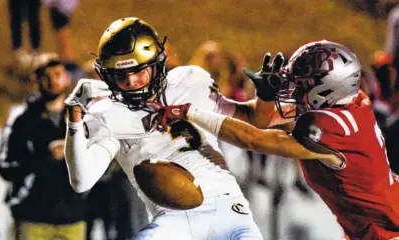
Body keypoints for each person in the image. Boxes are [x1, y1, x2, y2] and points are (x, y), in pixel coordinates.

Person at [61, 17, 323, 239]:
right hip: (172, 221)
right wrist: (74, 121)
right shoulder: (107, 113)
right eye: (120, 75)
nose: (131, 82)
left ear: (156, 64)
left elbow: (255, 119)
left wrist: (265, 97)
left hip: (227, 209)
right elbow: (82, 181)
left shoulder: (188, 82)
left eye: (138, 71)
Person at [160, 40, 399, 240]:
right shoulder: (342, 102)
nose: (293, 88)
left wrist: (190, 112)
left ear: (325, 91)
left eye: (302, 83)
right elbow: (256, 119)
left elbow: (252, 138)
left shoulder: (332, 128)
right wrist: (264, 97)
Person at [0, 58, 87, 240]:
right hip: (33, 218)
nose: (53, 81)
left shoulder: (83, 117)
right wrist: (47, 158)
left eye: (57, 75)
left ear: (67, 77)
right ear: (36, 81)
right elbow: (5, 167)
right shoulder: (22, 120)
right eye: (45, 77)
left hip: (73, 218)